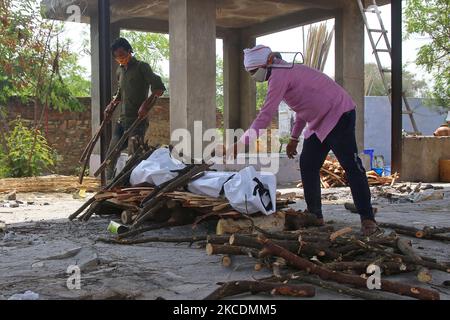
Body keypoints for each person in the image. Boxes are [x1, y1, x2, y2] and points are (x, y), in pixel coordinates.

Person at [228, 44, 380, 236]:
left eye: (253, 71)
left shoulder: (279, 75)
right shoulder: (285, 73)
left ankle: (367, 219)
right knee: (308, 164)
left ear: (267, 64)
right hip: (318, 122)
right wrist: (293, 137)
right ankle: (315, 215)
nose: (253, 76)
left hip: (338, 114)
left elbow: (265, 116)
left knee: (351, 166)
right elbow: (303, 108)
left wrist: (241, 143)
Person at [105, 37, 166, 181]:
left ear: (129, 51)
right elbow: (119, 93)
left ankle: (131, 184)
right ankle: (108, 183)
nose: (121, 59)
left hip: (137, 121)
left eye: (123, 55)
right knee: (112, 152)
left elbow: (159, 88)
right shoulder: (119, 71)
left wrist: (146, 104)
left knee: (133, 156)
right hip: (122, 120)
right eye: (117, 57)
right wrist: (111, 104)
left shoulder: (142, 67)